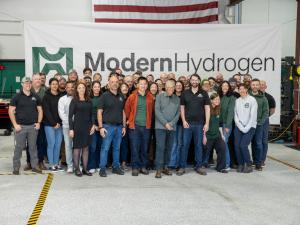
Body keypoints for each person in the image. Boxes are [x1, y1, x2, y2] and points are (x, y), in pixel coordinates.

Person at [177, 74, 210, 176]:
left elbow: (207, 108)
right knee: (185, 145)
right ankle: (182, 167)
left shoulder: (204, 93)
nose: (194, 81)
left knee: (198, 146)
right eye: (193, 80)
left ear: (199, 81)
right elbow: (182, 108)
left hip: (200, 124)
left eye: (196, 80)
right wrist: (183, 120)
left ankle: (198, 166)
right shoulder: (185, 93)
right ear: (190, 81)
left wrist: (207, 123)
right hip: (187, 124)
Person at [9, 77, 43, 175]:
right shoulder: (16, 97)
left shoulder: (35, 96)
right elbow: (10, 111)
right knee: (18, 148)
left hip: (33, 127)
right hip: (20, 127)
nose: (28, 84)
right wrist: (15, 125)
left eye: (29, 83)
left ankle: (34, 166)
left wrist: (39, 123)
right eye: (26, 83)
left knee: (33, 147)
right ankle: (16, 167)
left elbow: (40, 110)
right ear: (22, 84)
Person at [98, 74, 126, 177]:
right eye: (112, 82)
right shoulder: (104, 96)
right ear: (109, 83)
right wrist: (101, 127)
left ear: (118, 83)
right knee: (105, 148)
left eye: (116, 82)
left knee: (116, 148)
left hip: (119, 127)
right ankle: (102, 168)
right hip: (107, 127)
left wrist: (123, 126)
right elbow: (99, 112)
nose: (114, 84)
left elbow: (123, 112)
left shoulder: (121, 96)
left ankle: (115, 167)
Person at [125, 77, 154, 176]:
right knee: (134, 147)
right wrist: (129, 119)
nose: (143, 86)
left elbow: (152, 111)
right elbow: (127, 109)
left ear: (147, 85)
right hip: (135, 127)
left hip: (146, 126)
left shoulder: (150, 97)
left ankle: (143, 166)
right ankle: (135, 167)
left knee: (144, 147)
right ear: (137, 85)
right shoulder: (132, 96)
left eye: (145, 84)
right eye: (141, 84)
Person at [154, 79, 180, 178]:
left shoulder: (177, 99)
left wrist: (171, 123)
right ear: (165, 87)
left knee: (169, 148)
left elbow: (178, 113)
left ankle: (165, 167)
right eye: (168, 87)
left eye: (172, 87)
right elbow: (157, 111)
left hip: (172, 128)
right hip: (160, 127)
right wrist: (165, 123)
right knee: (160, 147)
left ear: (174, 88)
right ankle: (158, 169)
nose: (170, 89)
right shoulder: (159, 96)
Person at [69, 81, 94, 177]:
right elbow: (70, 116)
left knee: (86, 148)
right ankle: (77, 169)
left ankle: (85, 169)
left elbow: (92, 114)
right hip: (77, 127)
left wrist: (92, 125)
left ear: (85, 89)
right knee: (77, 148)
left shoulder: (89, 100)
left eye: (83, 88)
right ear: (77, 89)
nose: (81, 89)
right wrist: (71, 129)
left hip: (87, 127)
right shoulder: (74, 100)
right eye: (79, 88)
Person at [24, 73, 47, 171]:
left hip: (42, 121)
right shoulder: (27, 91)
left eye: (39, 79)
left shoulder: (45, 92)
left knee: (41, 142)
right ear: (32, 81)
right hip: (29, 122)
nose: (38, 81)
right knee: (30, 143)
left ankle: (40, 161)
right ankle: (29, 162)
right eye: (36, 79)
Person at [234, 83, 258, 173]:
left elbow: (253, 116)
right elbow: (235, 115)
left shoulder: (252, 100)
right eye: (240, 89)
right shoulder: (237, 100)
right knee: (237, 146)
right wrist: (240, 126)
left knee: (243, 145)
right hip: (239, 126)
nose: (241, 91)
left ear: (246, 89)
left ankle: (248, 164)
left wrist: (246, 127)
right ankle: (240, 164)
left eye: (243, 89)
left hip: (250, 126)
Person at [43, 78, 63, 172]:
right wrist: (53, 123)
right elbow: (46, 111)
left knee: (58, 145)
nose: (55, 85)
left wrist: (59, 123)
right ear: (50, 85)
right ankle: (51, 164)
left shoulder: (61, 96)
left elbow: (62, 110)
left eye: (56, 84)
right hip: (49, 124)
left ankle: (56, 163)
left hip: (59, 125)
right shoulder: (46, 96)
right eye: (53, 84)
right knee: (51, 144)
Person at [203, 93, 227, 173]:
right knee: (205, 150)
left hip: (217, 134)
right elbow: (203, 124)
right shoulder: (207, 109)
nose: (218, 101)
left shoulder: (219, 109)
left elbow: (220, 124)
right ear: (211, 100)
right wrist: (204, 136)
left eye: (219, 99)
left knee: (222, 147)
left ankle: (220, 167)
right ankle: (200, 164)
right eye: (216, 99)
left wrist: (222, 135)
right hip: (208, 135)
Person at [249, 79, 269, 171]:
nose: (255, 86)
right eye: (253, 85)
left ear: (259, 86)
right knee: (250, 143)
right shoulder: (247, 96)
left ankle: (258, 163)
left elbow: (266, 112)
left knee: (258, 143)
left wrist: (260, 122)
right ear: (250, 85)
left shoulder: (263, 98)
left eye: (257, 85)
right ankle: (253, 161)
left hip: (258, 125)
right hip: (248, 124)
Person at [219, 81, 236, 170]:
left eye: (226, 86)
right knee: (221, 144)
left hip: (226, 124)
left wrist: (228, 126)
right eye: (223, 86)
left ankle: (227, 164)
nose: (225, 87)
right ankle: (221, 163)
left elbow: (230, 112)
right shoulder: (220, 97)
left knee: (224, 143)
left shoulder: (232, 98)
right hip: (219, 124)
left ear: (229, 87)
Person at [58, 81, 75, 173]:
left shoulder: (77, 98)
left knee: (77, 146)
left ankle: (78, 164)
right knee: (68, 146)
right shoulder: (62, 99)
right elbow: (62, 114)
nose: (70, 88)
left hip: (78, 126)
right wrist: (70, 124)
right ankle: (70, 165)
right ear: (65, 88)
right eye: (68, 87)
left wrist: (76, 124)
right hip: (66, 126)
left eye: (72, 87)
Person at [260, 80, 276, 166]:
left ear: (265, 87)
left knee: (264, 141)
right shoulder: (254, 96)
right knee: (256, 141)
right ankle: (257, 159)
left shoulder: (270, 97)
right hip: (255, 121)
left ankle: (262, 159)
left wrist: (264, 117)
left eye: (263, 85)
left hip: (265, 121)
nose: (261, 86)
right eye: (260, 85)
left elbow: (272, 111)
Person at [169, 81, 184, 169]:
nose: (178, 87)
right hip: (173, 123)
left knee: (180, 144)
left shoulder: (185, 96)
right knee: (173, 143)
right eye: (176, 85)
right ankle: (172, 163)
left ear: (182, 87)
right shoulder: (171, 96)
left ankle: (178, 163)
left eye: (180, 85)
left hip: (182, 123)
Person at [88, 81, 102, 173]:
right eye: (95, 86)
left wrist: (100, 126)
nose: (97, 88)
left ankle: (98, 165)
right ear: (92, 88)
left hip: (101, 125)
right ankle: (91, 165)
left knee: (100, 146)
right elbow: (88, 113)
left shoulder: (103, 98)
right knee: (92, 146)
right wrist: (93, 125)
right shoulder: (89, 99)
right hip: (92, 125)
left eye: (98, 87)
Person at [120, 83, 130, 170]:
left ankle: (123, 163)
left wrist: (129, 119)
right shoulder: (117, 97)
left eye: (126, 87)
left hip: (127, 124)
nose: (125, 88)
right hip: (118, 123)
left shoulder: (130, 98)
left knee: (124, 144)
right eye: (123, 87)